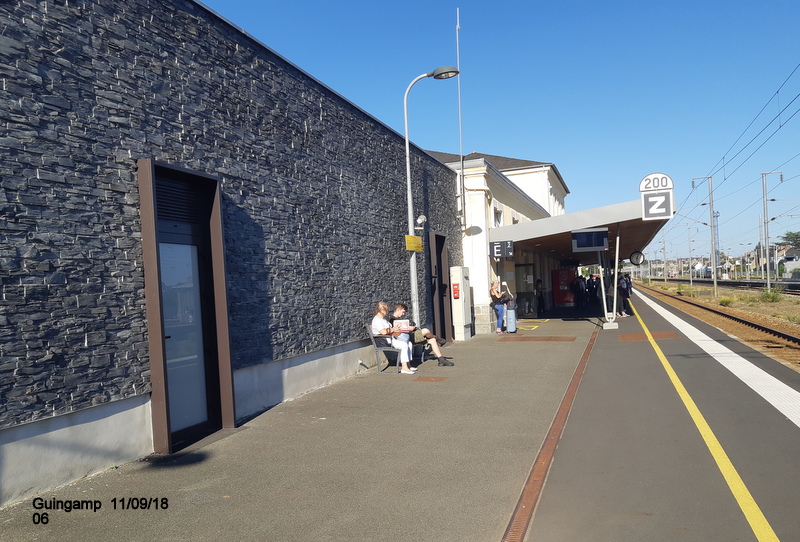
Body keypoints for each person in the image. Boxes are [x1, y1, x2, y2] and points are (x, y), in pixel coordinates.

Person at [388, 304, 453, 367]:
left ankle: (441, 359)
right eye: (403, 312)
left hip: (411, 336)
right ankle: (436, 338)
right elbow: (402, 330)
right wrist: (411, 328)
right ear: (398, 310)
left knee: (432, 341)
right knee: (426, 331)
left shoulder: (398, 319)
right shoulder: (393, 320)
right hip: (408, 337)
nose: (403, 314)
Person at [371, 301, 415, 374]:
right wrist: (393, 329)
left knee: (409, 344)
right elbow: (383, 332)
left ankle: (408, 365)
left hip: (390, 338)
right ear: (382, 310)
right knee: (404, 345)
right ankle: (404, 368)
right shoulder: (377, 320)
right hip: (384, 341)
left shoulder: (382, 319)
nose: (387, 312)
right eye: (386, 310)